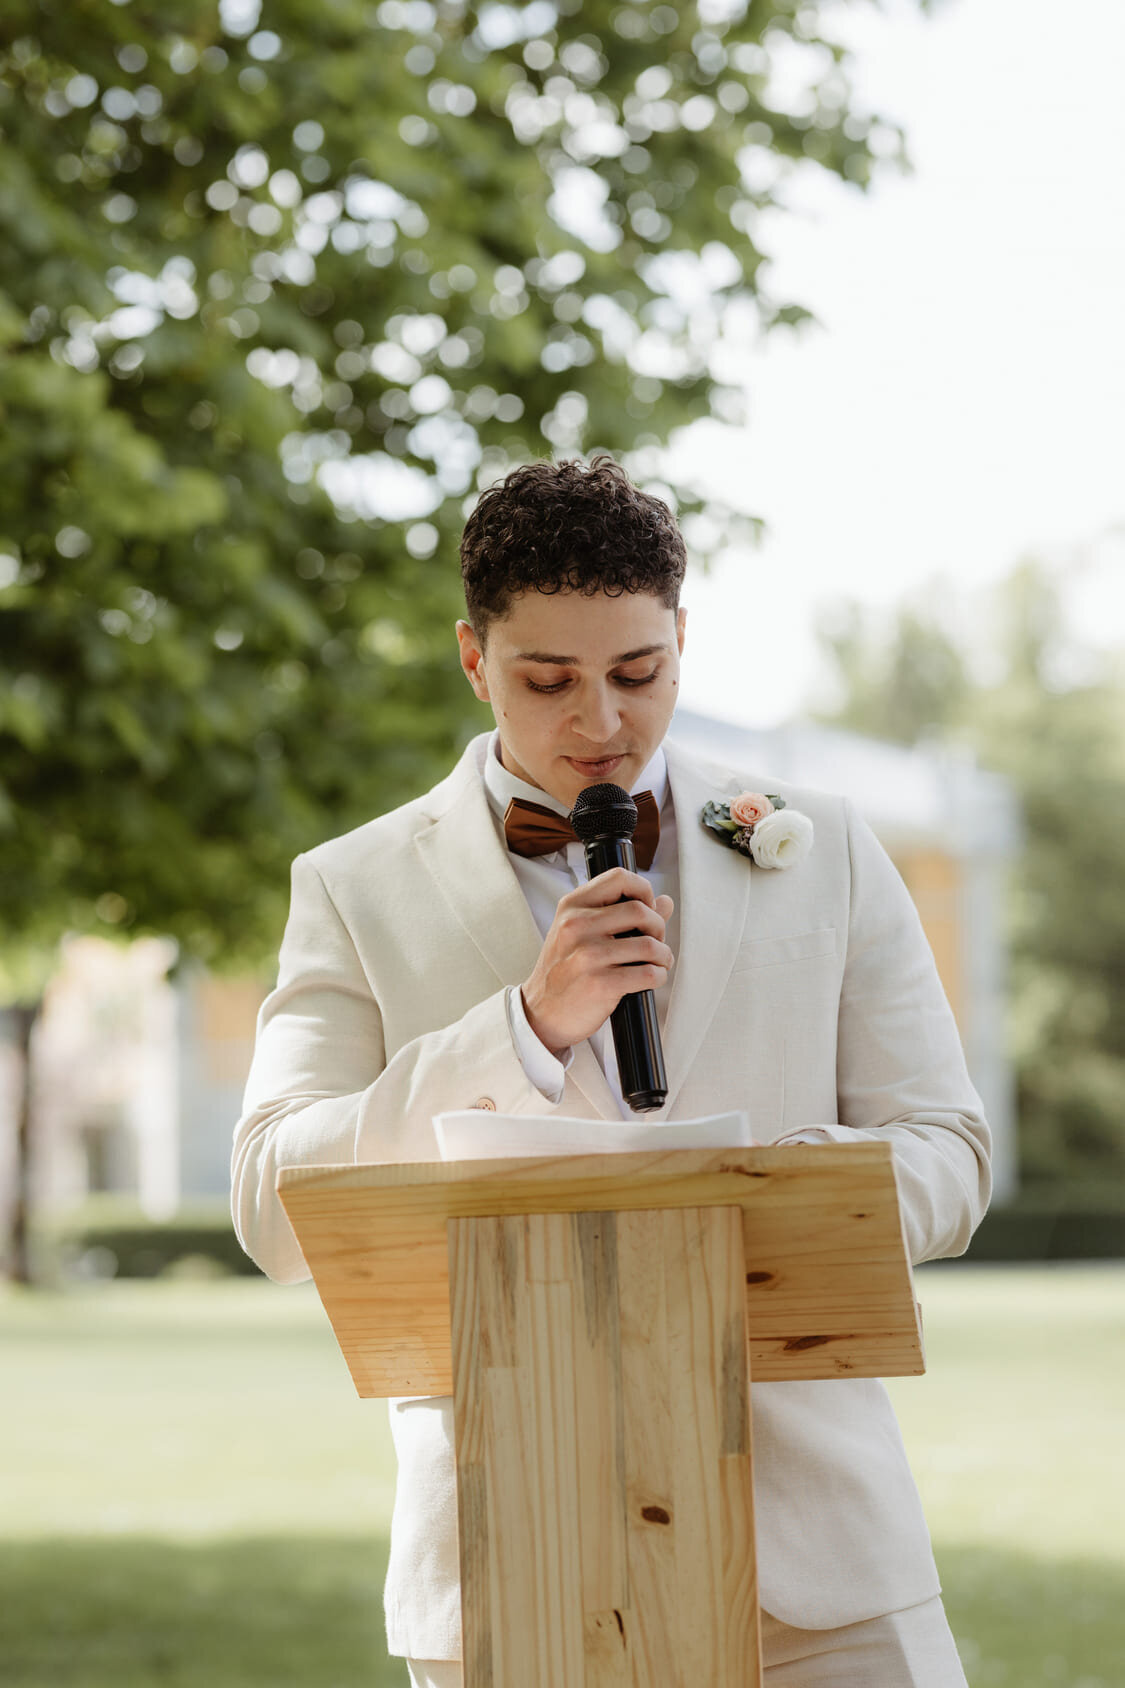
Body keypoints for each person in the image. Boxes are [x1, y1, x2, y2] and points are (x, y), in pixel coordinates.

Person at [232, 455, 990, 1687]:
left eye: (638, 673)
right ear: (474, 660)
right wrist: (521, 1027)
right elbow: (272, 1201)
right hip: (507, 1558)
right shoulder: (352, 885)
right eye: (549, 679)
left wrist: (776, 1200)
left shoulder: (829, 846)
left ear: (682, 639)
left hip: (828, 1567)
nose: (601, 722)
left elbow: (949, 1151)